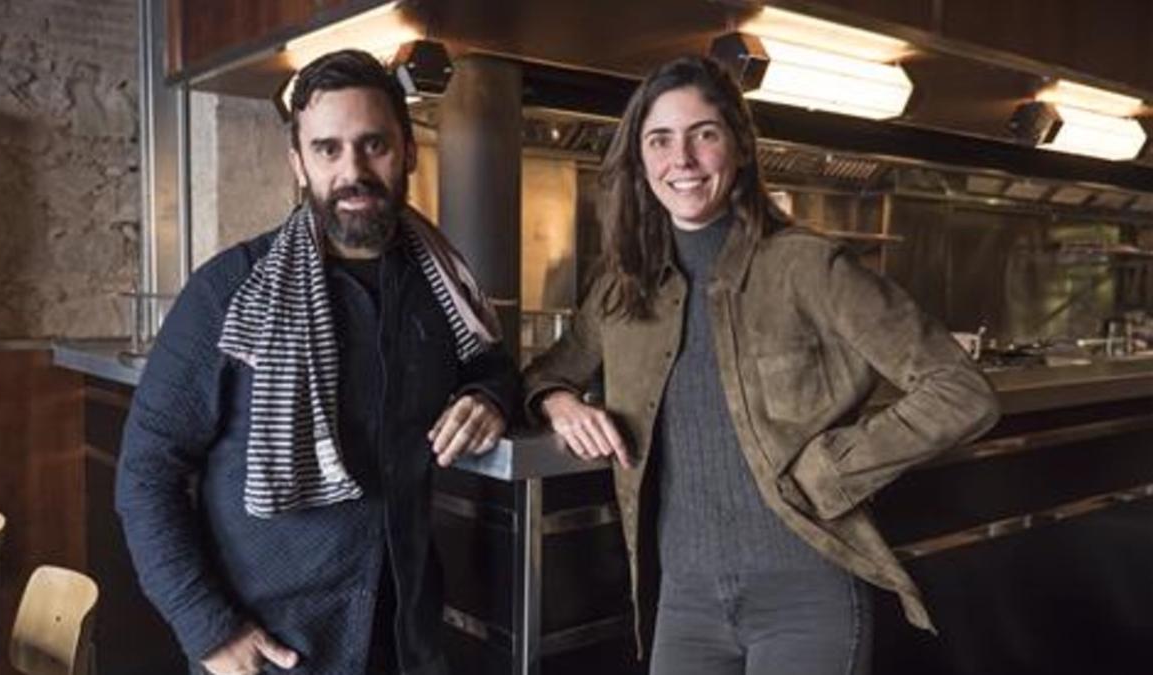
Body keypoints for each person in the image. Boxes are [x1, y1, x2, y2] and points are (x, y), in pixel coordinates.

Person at [523, 56, 1000, 675]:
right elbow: (544, 374)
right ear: (641, 161)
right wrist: (560, 403)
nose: (682, 160)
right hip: (683, 603)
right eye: (660, 140)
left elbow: (961, 390)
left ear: (741, 149)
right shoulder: (621, 290)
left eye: (705, 134)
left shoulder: (809, 267)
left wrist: (833, 470)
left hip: (806, 596)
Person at [116, 49, 519, 675]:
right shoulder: (229, 290)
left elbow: (492, 365)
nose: (352, 170)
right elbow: (146, 474)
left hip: (407, 639)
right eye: (328, 149)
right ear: (298, 164)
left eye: (374, 144)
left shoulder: (442, 287)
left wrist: (489, 397)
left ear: (409, 151)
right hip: (273, 651)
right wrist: (207, 628)